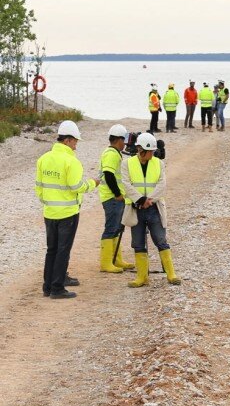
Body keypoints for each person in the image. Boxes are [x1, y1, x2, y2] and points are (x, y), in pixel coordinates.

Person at [34, 120, 99, 299]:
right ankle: (57, 288)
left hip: (49, 212)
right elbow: (76, 186)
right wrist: (93, 183)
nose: (76, 145)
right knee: (63, 250)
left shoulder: (43, 159)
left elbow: (39, 187)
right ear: (68, 140)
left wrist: (48, 202)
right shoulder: (71, 161)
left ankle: (47, 287)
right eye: (76, 141)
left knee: (51, 249)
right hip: (68, 213)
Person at [120, 132, 181, 287]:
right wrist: (140, 199)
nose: (153, 154)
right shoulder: (127, 164)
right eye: (151, 151)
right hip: (136, 208)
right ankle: (142, 277)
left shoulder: (158, 163)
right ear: (141, 150)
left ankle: (171, 274)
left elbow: (162, 185)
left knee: (161, 240)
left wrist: (149, 200)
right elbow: (126, 184)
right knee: (138, 243)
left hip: (154, 208)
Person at [96, 124, 135, 273]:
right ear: (118, 139)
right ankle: (106, 263)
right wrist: (118, 194)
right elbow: (109, 174)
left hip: (114, 198)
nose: (125, 143)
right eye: (123, 140)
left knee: (117, 228)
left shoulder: (114, 152)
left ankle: (116, 259)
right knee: (111, 228)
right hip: (112, 198)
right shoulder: (111, 154)